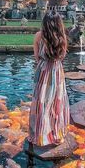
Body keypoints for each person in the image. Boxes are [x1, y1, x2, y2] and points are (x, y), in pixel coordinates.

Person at [28, 11, 70, 147]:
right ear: (59, 23)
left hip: (43, 71)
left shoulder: (39, 36)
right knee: (56, 103)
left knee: (41, 102)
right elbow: (62, 56)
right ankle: (56, 134)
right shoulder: (62, 37)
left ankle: (40, 136)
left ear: (44, 22)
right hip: (57, 71)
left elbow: (37, 56)